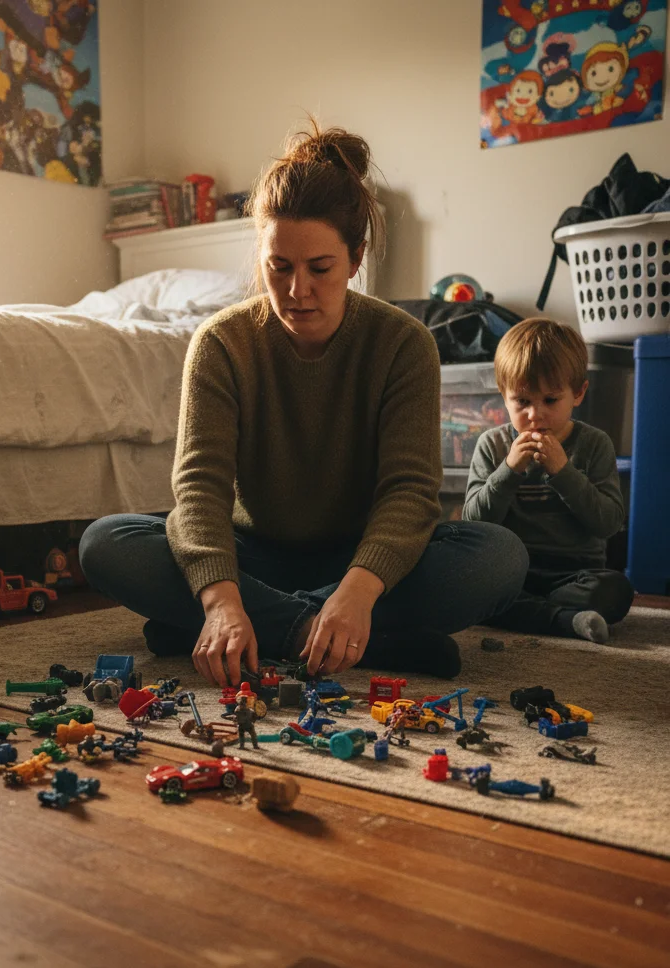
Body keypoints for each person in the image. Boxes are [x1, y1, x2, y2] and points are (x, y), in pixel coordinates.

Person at [78, 125, 527, 687]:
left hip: (362, 559)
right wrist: (220, 599)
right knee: (106, 543)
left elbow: (410, 492)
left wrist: (359, 591)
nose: (297, 291)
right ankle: (341, 638)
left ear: (356, 256)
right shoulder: (221, 343)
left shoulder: (405, 344)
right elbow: (199, 487)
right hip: (251, 557)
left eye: (319, 268)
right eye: (279, 267)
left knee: (499, 557)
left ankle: (248, 630)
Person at [463, 318, 633, 643]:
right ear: (504, 395)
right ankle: (566, 621)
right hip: (513, 569)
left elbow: (608, 523)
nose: (535, 415)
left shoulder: (594, 444)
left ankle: (531, 612)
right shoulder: (493, 445)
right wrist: (508, 470)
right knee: (468, 584)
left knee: (617, 590)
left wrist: (563, 472)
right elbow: (475, 524)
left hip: (577, 573)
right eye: (522, 401)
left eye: (551, 400)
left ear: (578, 394)